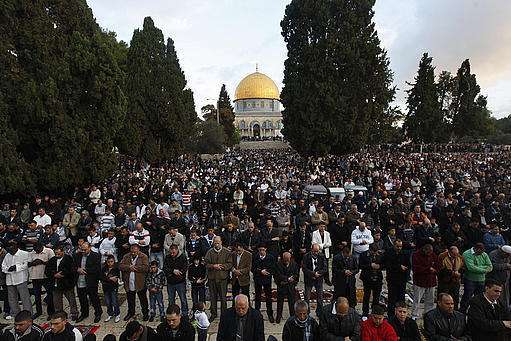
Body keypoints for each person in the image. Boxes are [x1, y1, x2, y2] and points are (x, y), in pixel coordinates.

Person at [45, 245, 79, 321]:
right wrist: (54, 274)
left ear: (62, 252)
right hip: (56, 284)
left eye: (59, 254)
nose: (57, 255)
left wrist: (62, 274)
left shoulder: (68, 259)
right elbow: (47, 271)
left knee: (71, 300)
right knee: (57, 302)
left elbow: (71, 270)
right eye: (56, 253)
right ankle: (60, 315)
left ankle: (74, 313)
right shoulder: (52, 260)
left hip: (67, 284)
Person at [204, 236, 233, 321]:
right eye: (215, 243)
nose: (217, 244)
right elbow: (206, 264)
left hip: (222, 278)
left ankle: (224, 314)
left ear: (221, 242)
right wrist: (213, 266)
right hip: (212, 278)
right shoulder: (209, 252)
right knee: (213, 297)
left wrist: (222, 266)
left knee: (223, 297)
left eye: (218, 242)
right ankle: (213, 314)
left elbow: (230, 264)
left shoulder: (227, 252)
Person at [73, 242, 102, 323]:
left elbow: (97, 269)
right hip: (80, 281)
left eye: (85, 250)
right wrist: (77, 269)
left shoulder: (95, 256)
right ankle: (84, 313)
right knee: (82, 299)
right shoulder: (77, 255)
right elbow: (73, 266)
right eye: (82, 250)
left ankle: (98, 313)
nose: (83, 251)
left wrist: (85, 270)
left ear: (89, 248)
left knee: (94, 298)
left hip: (91, 281)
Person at [119, 243, 149, 321]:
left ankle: (145, 313)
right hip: (129, 282)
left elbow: (146, 268)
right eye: (132, 251)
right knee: (130, 299)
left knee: (143, 299)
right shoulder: (126, 256)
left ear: (138, 250)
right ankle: (131, 313)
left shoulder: (144, 256)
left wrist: (135, 268)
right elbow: (121, 266)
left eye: (135, 252)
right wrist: (129, 267)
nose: (133, 253)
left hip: (140, 282)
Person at [1, 240, 32, 316]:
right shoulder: (8, 255)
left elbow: (27, 264)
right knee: (12, 298)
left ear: (16, 247)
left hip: (21, 279)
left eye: (11, 248)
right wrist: (8, 269)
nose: (10, 251)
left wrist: (16, 267)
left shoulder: (24, 253)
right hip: (10, 279)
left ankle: (28, 313)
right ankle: (16, 313)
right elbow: (3, 266)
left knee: (25, 298)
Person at [460, 242, 493, 312]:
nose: (482, 253)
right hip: (470, 279)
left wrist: (478, 267)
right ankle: (462, 312)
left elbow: (490, 266)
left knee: (479, 299)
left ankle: (476, 312)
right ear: (476, 249)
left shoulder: (484, 254)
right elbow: (471, 268)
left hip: (482, 280)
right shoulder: (467, 254)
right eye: (481, 252)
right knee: (467, 297)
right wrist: (484, 269)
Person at [411, 244, 438, 320]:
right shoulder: (416, 255)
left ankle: (428, 315)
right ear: (424, 250)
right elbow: (415, 268)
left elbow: (437, 265)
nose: (430, 254)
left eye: (431, 252)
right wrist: (428, 269)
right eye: (428, 252)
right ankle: (414, 315)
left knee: (430, 300)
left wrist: (434, 270)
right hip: (419, 281)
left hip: (431, 281)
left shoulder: (433, 254)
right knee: (417, 300)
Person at [29, 242, 55, 319]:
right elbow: (28, 263)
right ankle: (38, 311)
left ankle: (51, 313)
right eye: (35, 250)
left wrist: (42, 262)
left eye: (37, 250)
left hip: (46, 276)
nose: (36, 252)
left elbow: (53, 262)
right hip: (35, 276)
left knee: (50, 295)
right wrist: (34, 262)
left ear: (41, 247)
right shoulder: (32, 253)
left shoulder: (49, 251)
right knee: (37, 296)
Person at [163, 244, 189, 317]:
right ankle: (172, 313)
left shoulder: (183, 256)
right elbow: (165, 268)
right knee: (171, 299)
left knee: (183, 299)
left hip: (180, 282)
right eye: (171, 253)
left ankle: (185, 313)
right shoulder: (167, 257)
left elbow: (185, 267)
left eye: (173, 253)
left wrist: (179, 272)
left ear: (177, 250)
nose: (172, 254)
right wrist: (173, 271)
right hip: (170, 282)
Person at [252, 243, 275, 322]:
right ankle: (257, 313)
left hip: (267, 280)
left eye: (263, 250)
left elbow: (273, 268)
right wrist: (260, 271)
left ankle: (270, 314)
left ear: (266, 249)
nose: (261, 251)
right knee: (257, 297)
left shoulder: (270, 257)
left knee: (268, 297)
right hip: (258, 279)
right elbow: (252, 268)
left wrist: (267, 272)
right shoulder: (255, 257)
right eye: (260, 250)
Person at [359, 243, 384, 317]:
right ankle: (365, 312)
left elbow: (384, 264)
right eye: (374, 252)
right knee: (366, 296)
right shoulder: (363, 255)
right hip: (367, 278)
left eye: (376, 251)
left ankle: (375, 312)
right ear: (370, 250)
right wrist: (370, 266)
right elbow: (360, 266)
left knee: (376, 296)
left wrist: (379, 266)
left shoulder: (380, 255)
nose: (375, 253)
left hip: (377, 278)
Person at [275, 251, 300, 323]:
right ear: (282, 258)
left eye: (287, 260)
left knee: (292, 302)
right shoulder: (278, 264)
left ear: (290, 258)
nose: (286, 262)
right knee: (280, 302)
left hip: (290, 286)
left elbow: (296, 274)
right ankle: (278, 316)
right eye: (285, 260)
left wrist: (293, 280)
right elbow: (277, 275)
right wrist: (287, 279)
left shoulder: (294, 264)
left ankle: (292, 316)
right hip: (282, 286)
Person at [303, 243, 327, 316]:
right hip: (309, 279)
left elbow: (325, 268)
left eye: (317, 251)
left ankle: (319, 312)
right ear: (311, 250)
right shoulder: (306, 256)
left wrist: (318, 274)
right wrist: (313, 274)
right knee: (307, 297)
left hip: (318, 279)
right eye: (314, 251)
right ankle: (307, 312)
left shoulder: (322, 256)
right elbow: (304, 268)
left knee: (320, 297)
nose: (316, 253)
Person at [437, 246, 464, 310]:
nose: (455, 256)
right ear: (450, 252)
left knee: (455, 299)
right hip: (445, 282)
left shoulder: (459, 257)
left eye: (457, 254)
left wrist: (460, 273)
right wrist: (452, 273)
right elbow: (440, 269)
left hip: (455, 281)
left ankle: (454, 312)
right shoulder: (442, 256)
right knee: (443, 298)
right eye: (454, 254)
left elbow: (463, 268)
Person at [101, 255, 121, 323]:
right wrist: (109, 279)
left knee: (114, 302)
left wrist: (106, 279)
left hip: (113, 288)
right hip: (105, 288)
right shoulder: (104, 269)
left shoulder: (116, 269)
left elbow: (115, 278)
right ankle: (110, 314)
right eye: (108, 262)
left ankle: (117, 314)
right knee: (108, 302)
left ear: (114, 261)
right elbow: (101, 277)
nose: (110, 263)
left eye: (111, 261)